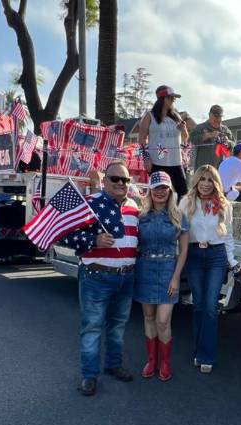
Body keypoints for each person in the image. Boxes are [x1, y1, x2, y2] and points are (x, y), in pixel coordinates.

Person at [59, 162, 140, 397]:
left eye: (125, 180)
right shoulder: (91, 204)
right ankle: (89, 376)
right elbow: (67, 236)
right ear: (104, 181)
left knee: (118, 326)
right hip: (96, 276)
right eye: (115, 179)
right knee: (92, 327)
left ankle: (113, 365)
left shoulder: (134, 207)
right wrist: (94, 240)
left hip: (126, 278)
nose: (120, 184)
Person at [180, 165, 237, 373]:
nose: (205, 184)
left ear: (216, 183)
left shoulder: (224, 205)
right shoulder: (186, 202)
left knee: (211, 306)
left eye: (210, 180)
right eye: (202, 179)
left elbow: (228, 234)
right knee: (199, 305)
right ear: (196, 181)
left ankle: (207, 356)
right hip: (194, 256)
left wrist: (231, 260)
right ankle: (198, 349)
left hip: (216, 256)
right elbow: (179, 231)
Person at [134, 171, 189, 381]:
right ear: (149, 190)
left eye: (164, 188)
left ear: (170, 191)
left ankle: (165, 362)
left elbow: (183, 250)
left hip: (167, 270)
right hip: (145, 268)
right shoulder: (141, 216)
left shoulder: (178, 216)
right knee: (148, 317)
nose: (160, 192)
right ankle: (152, 360)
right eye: (156, 187)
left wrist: (176, 277)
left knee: (163, 321)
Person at [138, 85, 189, 197]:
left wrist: (183, 129)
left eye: (174, 99)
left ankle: (179, 214)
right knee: (158, 194)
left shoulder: (176, 117)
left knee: (183, 194)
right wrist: (146, 158)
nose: (173, 101)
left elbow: (185, 138)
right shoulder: (149, 116)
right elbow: (141, 139)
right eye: (171, 98)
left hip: (176, 162)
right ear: (162, 99)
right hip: (157, 162)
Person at [189, 105, 234, 169]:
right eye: (215, 116)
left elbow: (234, 144)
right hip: (203, 168)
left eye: (220, 116)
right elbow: (192, 139)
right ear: (210, 115)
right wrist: (207, 135)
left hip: (220, 168)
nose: (218, 119)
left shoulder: (225, 130)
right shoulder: (200, 128)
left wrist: (228, 142)